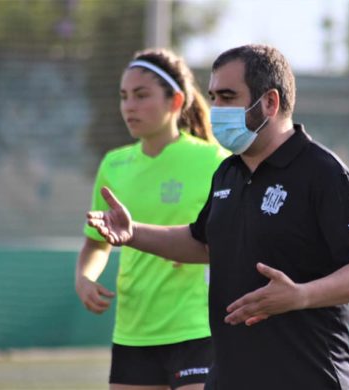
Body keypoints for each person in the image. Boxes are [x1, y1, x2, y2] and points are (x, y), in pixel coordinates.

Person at [87, 44, 349, 390]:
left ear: (270, 103)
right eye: (213, 97)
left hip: (306, 378)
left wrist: (300, 295)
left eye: (228, 97)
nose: (216, 110)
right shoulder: (227, 172)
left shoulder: (322, 172)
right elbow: (202, 244)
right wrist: (133, 232)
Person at [76, 48, 228, 390]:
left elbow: (231, 235)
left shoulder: (215, 160)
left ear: (175, 101)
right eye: (124, 97)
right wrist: (85, 279)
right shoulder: (113, 165)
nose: (129, 106)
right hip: (134, 329)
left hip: (197, 326)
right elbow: (95, 242)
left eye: (141, 95)